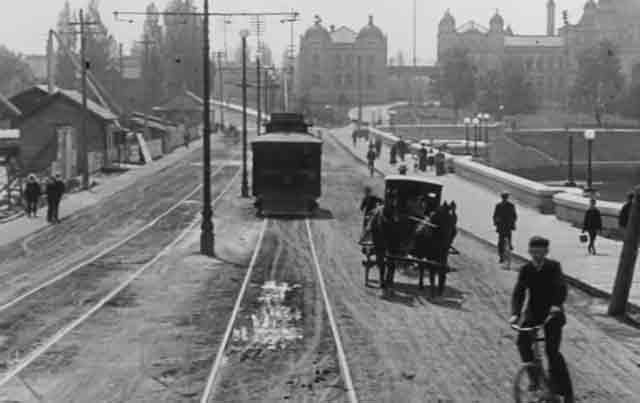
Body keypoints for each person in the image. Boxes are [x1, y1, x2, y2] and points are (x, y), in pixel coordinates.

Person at [510, 236, 574, 401]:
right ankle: (535, 380)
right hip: (533, 313)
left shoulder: (554, 267)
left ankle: (565, 390)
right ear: (529, 252)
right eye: (534, 252)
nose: (537, 255)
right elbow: (519, 292)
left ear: (546, 252)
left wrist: (556, 305)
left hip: (552, 314)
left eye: (540, 252)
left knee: (552, 352)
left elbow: (561, 288)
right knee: (522, 342)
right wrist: (515, 313)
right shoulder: (526, 269)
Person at [493, 191, 517, 263]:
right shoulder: (511, 205)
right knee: (507, 238)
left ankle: (501, 256)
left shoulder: (498, 205)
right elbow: (514, 216)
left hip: (502, 226)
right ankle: (508, 247)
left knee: (501, 241)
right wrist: (513, 223)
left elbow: (495, 216)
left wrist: (496, 223)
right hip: (507, 226)